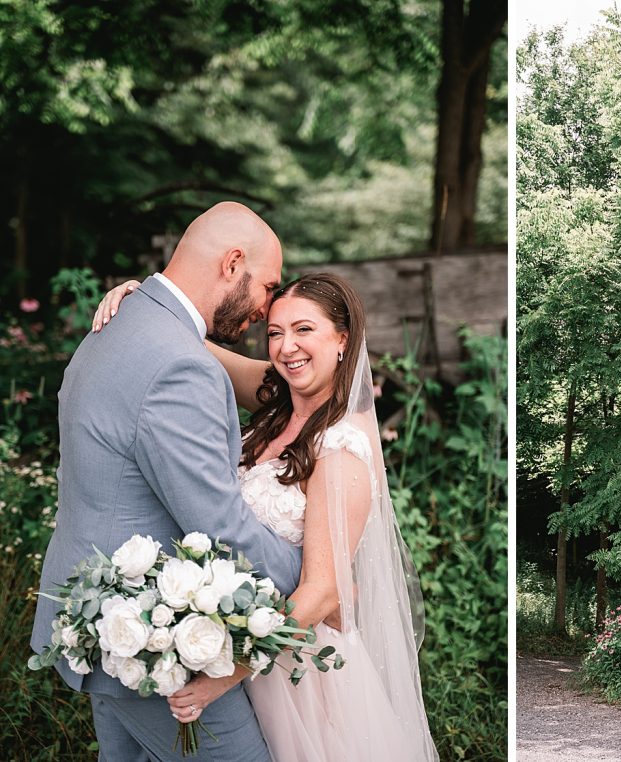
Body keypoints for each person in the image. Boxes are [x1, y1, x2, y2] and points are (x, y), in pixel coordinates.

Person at [97, 273, 438, 761]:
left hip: (296, 669)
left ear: (342, 340)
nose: (286, 347)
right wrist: (144, 302)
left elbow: (323, 592)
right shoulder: (277, 396)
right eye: (275, 332)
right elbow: (189, 340)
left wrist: (227, 673)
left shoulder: (342, 448)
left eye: (304, 330)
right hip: (233, 633)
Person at [32, 202, 304, 762]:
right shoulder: (178, 365)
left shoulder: (120, 328)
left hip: (100, 625)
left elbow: (289, 389)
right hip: (153, 648)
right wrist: (318, 581)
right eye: (268, 288)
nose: (268, 309)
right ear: (233, 263)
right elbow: (219, 525)